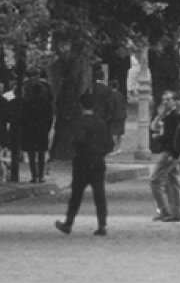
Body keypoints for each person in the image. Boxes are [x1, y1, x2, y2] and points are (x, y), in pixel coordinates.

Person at [55, 93, 115, 236]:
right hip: (98, 161)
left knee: (76, 194)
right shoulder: (101, 122)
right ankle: (102, 224)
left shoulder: (80, 122)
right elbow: (110, 144)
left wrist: (75, 145)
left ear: (80, 105)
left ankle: (68, 223)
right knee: (99, 194)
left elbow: (78, 139)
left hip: (82, 161)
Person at [148, 92, 180, 221]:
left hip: (169, 152)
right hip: (171, 151)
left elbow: (172, 136)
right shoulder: (167, 116)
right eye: (164, 100)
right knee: (172, 182)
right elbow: (154, 126)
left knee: (155, 180)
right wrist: (160, 115)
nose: (165, 102)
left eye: (168, 99)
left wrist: (159, 138)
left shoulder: (175, 116)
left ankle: (165, 210)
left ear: (174, 101)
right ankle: (175, 213)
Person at [20, 82, 54, 184]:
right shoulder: (47, 103)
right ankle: (41, 176)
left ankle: (34, 175)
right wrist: (47, 129)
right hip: (42, 131)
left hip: (31, 131)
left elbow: (24, 117)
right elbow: (50, 118)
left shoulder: (28, 102)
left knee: (31, 154)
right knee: (41, 154)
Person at [108, 78, 128, 152]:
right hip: (122, 115)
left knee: (113, 132)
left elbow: (111, 106)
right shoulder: (121, 94)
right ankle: (119, 147)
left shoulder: (111, 95)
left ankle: (115, 147)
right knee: (120, 133)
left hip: (114, 116)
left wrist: (109, 115)